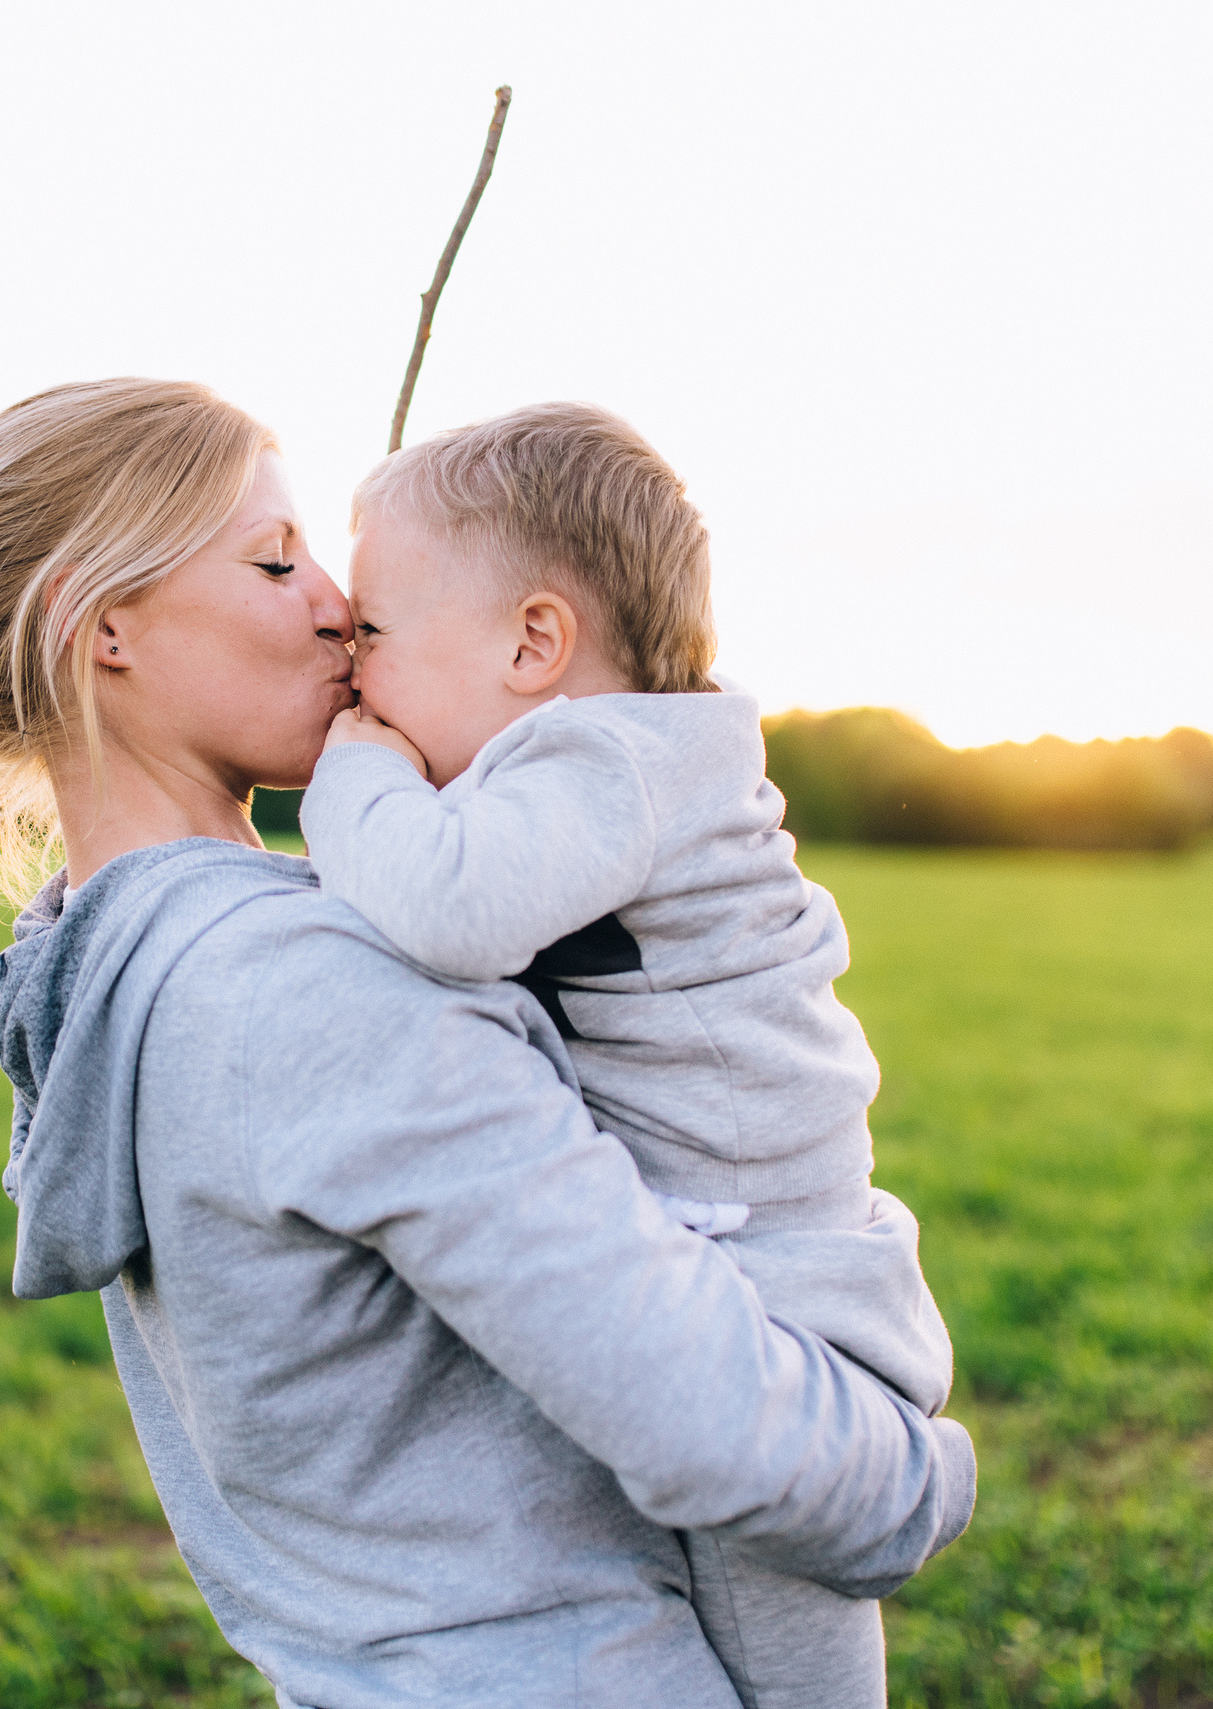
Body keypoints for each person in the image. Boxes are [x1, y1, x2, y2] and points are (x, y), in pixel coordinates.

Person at [0, 377, 975, 1708]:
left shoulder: (113, 978)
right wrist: (923, 1479)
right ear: (99, 621)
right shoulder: (308, 994)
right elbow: (712, 1417)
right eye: (276, 558)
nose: (337, 603)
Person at [304, 401, 952, 1709]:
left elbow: (450, 908)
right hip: (719, 1243)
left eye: (372, 631)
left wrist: (349, 773)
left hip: (781, 1275)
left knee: (793, 1656)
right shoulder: (593, 765)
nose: (349, 669)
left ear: (536, 640)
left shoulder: (610, 756)